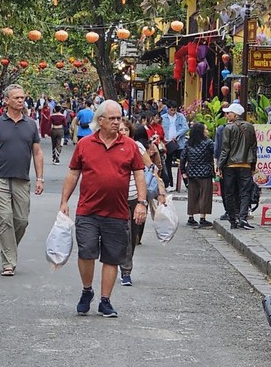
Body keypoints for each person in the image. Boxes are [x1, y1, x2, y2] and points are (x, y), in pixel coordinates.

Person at [60, 101, 146, 317]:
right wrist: (64, 202)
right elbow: (73, 173)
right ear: (101, 121)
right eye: (113, 119)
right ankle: (87, 290)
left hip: (117, 211)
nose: (117, 122)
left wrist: (142, 203)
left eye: (119, 118)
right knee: (86, 251)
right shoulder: (85, 144)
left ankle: (105, 301)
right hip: (88, 210)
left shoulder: (130, 145)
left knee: (112, 257)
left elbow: (139, 174)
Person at [0, 84, 44, 276]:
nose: (20, 100)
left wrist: (40, 178)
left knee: (21, 220)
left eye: (22, 97)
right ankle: (9, 262)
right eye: (16, 97)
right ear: (6, 100)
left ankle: (9, 247)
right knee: (4, 219)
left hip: (22, 180)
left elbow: (37, 152)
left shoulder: (31, 124)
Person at [118, 120, 165, 285]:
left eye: (125, 130)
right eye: (120, 129)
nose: (122, 132)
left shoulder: (136, 146)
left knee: (131, 234)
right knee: (121, 232)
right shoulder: (110, 145)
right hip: (115, 197)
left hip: (133, 195)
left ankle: (125, 267)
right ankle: (125, 270)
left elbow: (152, 167)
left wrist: (159, 189)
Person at [217, 103, 257, 230]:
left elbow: (225, 149)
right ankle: (243, 217)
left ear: (235, 114)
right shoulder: (250, 127)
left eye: (229, 113)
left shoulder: (228, 128)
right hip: (245, 164)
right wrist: (253, 165)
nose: (226, 115)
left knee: (229, 192)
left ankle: (232, 219)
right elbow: (254, 148)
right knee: (245, 192)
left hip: (230, 164)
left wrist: (220, 165)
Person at [181, 122, 215, 228]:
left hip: (191, 172)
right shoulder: (209, 143)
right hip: (205, 172)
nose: (207, 131)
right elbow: (214, 154)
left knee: (192, 195)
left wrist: (183, 171)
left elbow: (183, 158)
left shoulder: (188, 143)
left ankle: (191, 217)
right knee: (205, 195)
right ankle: (202, 218)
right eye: (205, 129)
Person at [160, 101, 188, 191]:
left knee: (183, 163)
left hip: (179, 143)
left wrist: (177, 135)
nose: (173, 112)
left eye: (174, 110)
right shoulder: (163, 118)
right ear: (167, 109)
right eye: (171, 110)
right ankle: (170, 184)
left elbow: (185, 128)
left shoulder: (180, 117)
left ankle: (187, 183)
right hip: (168, 143)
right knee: (167, 164)